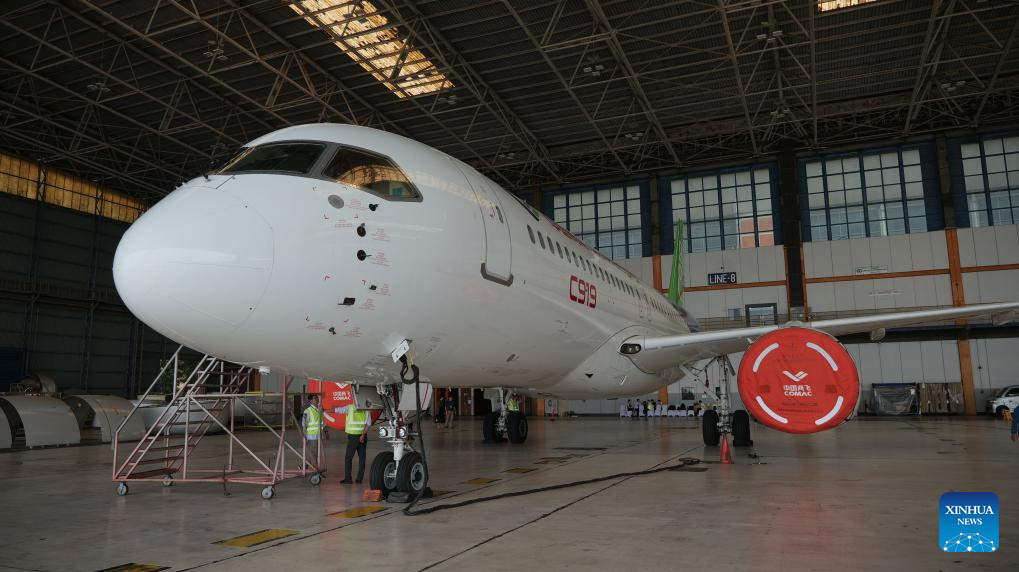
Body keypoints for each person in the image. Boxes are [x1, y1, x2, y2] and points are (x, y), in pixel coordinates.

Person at [340, 401, 370, 484]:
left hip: (353, 437)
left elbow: (338, 410)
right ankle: (359, 479)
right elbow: (368, 424)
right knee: (362, 458)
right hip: (362, 437)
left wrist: (325, 410)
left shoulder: (350, 407)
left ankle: (348, 479)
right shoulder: (366, 409)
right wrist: (363, 435)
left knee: (348, 458)